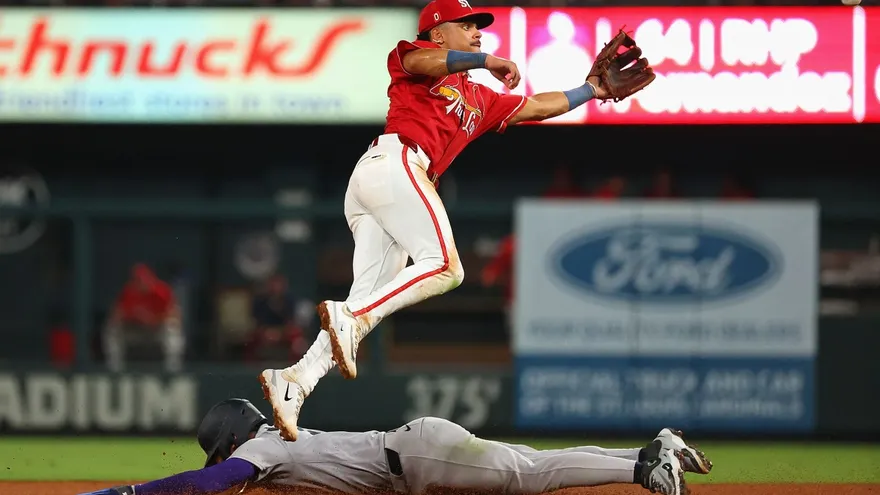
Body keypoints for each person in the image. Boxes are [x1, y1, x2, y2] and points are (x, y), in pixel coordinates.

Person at [259, 0, 655, 442]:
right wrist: (486, 61)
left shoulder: (478, 97)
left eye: (478, 26)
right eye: (466, 25)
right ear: (438, 32)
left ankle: (294, 382)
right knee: (446, 268)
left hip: (389, 185)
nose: (477, 31)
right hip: (396, 163)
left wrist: (591, 92)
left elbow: (536, 106)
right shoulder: (415, 57)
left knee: (368, 298)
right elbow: (425, 59)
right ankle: (349, 317)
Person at [78, 398, 711, 495]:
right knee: (532, 465)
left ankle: (641, 466)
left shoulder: (265, 452)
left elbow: (210, 485)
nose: (228, 469)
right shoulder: (276, 442)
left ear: (228, 444)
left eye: (224, 455)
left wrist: (129, 492)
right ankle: (648, 452)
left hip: (412, 458)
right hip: (413, 448)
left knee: (530, 477)